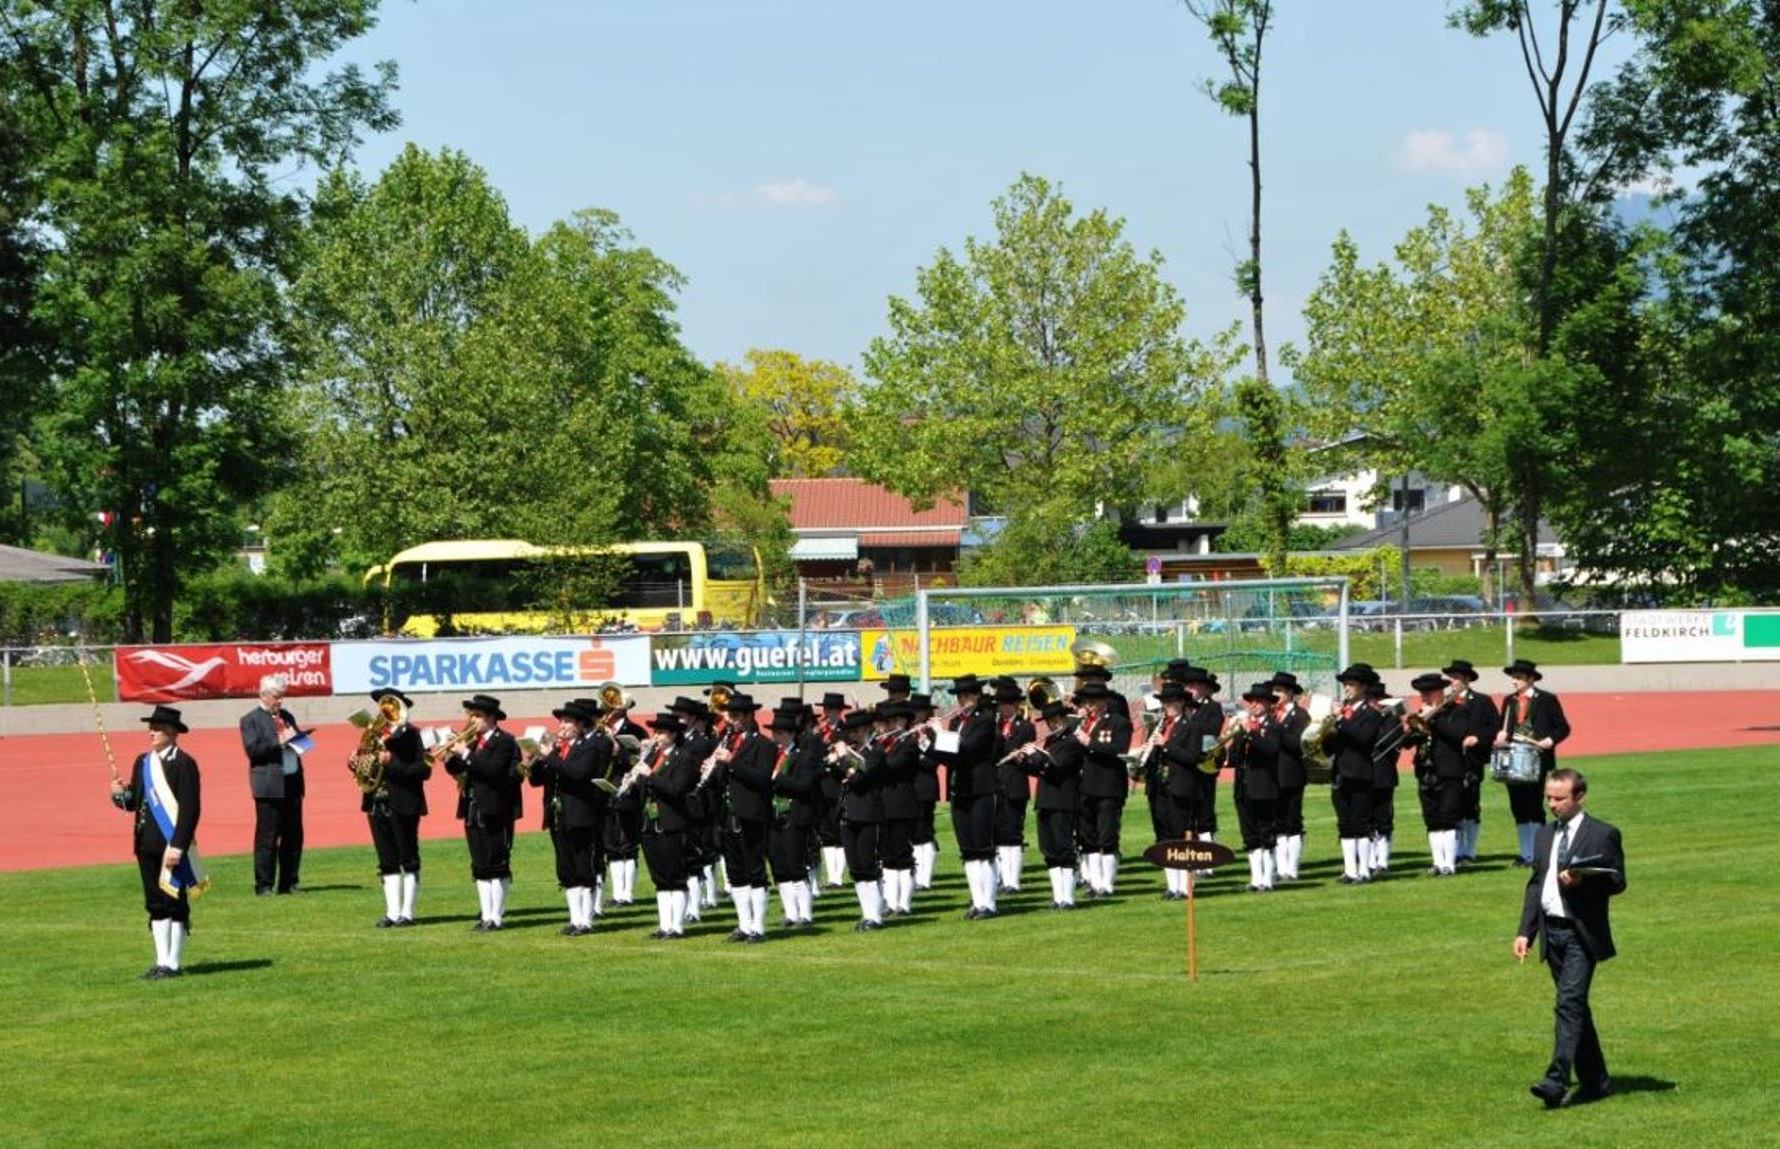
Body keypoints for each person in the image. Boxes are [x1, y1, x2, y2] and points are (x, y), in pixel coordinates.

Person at [1513, 768, 1625, 1108]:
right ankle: (1596, 1081)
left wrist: (1583, 881)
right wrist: (1525, 932)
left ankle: (1556, 1080)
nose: (1552, 804)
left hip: (1581, 933)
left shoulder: (1603, 834)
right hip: (1552, 933)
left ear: (1579, 797)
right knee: (1575, 1009)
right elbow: (1536, 884)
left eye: (1559, 798)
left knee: (1568, 1004)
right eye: (1548, 797)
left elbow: (1617, 882)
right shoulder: (1544, 834)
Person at [110, 705, 204, 980]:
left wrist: (178, 846)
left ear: (172, 733)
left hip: (170, 846)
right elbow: (135, 802)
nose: (151, 732)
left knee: (174, 902)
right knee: (155, 904)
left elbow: (190, 809)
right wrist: (118, 794)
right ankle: (161, 961)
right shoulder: (143, 762)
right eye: (150, 728)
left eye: (157, 728)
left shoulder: (184, 763)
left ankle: (173, 963)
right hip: (145, 845)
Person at [527, 698, 612, 937]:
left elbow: (579, 773)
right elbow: (536, 781)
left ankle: (586, 920)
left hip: (581, 814)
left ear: (580, 725)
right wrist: (536, 759)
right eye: (561, 721)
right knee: (566, 869)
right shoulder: (557, 749)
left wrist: (551, 757)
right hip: (558, 815)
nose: (562, 726)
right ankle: (575, 919)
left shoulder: (589, 747)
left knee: (584, 866)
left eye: (567, 722)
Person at [441, 694, 520, 931]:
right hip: (472, 807)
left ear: (491, 718)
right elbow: (457, 769)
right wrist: (450, 755)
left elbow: (493, 770)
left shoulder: (505, 741)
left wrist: (465, 753)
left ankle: (497, 916)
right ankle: (486, 915)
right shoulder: (473, 742)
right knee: (480, 864)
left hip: (496, 809)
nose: (472, 720)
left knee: (497, 863)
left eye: (477, 716)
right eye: (472, 715)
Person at [358, 688, 429, 927]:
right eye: (381, 706)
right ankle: (392, 912)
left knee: (408, 858)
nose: (384, 710)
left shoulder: (414, 735)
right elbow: (366, 765)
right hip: (376, 802)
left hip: (404, 803)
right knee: (387, 860)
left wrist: (393, 762)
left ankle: (407, 913)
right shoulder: (373, 734)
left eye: (389, 705)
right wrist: (356, 763)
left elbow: (423, 770)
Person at [932, 675, 999, 919]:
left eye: (967, 695)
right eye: (960, 696)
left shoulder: (985, 720)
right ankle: (977, 901)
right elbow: (947, 756)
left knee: (983, 849)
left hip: (981, 789)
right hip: (960, 789)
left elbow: (967, 749)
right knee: (968, 850)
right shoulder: (956, 722)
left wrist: (940, 734)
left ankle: (989, 903)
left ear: (977, 696)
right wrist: (929, 740)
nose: (963, 700)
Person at [1495, 659, 1572, 867]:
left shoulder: (1547, 699)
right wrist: (1501, 734)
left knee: (1534, 806)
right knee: (1518, 808)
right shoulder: (1509, 701)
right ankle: (1525, 853)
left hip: (1537, 759)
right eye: (1513, 678)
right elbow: (1505, 727)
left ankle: (1539, 854)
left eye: (1518, 678)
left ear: (1530, 679)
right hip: (1513, 759)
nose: (1514, 681)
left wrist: (1549, 741)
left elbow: (1563, 727)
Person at [714, 693, 775, 943]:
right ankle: (744, 924)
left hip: (752, 814)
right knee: (735, 873)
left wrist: (732, 762)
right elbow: (722, 780)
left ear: (750, 716)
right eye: (730, 716)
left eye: (737, 716)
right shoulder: (728, 741)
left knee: (755, 870)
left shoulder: (764, 744)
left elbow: (762, 779)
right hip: (728, 814)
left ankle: (758, 927)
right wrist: (713, 766)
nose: (732, 720)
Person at [240, 675, 306, 896]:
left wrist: (301, 739)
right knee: (267, 838)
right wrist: (278, 742)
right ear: (264, 695)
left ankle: (289, 883)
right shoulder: (250, 720)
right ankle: (264, 885)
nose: (280, 701)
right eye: (276, 697)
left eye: (282, 696)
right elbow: (253, 751)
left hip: (293, 782)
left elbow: (296, 741)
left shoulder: (287, 716)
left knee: (293, 836)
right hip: (269, 786)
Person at [1014, 700, 1083, 909]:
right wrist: (1023, 762)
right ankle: (1057, 897)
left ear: (1063, 719)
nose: (1052, 724)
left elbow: (1057, 766)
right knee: (1049, 850)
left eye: (1055, 720)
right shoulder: (1051, 741)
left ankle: (1068, 898)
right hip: (1045, 800)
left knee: (1063, 848)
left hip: (1063, 801)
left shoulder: (1072, 741)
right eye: (1049, 721)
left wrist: (1036, 754)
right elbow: (1042, 770)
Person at [633, 711, 695, 940]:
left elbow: (676, 790)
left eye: (660, 732)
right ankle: (664, 925)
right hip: (650, 822)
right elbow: (644, 789)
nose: (656, 736)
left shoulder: (684, 758)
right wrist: (635, 779)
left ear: (672, 735)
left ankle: (676, 926)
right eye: (655, 732)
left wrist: (650, 775)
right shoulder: (652, 756)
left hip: (672, 822)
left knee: (674, 875)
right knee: (659, 877)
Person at [1074, 680, 1133, 898]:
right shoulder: (1082, 724)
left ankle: (1107, 884)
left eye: (1092, 702)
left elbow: (1119, 749)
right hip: (1085, 786)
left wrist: (1090, 743)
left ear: (1103, 702)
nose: (1088, 706)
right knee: (1088, 837)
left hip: (1109, 786)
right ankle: (1095, 882)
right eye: (1086, 702)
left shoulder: (1119, 723)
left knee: (1107, 836)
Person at [766, 706, 824, 928]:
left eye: (780, 733)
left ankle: (805, 914)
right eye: (774, 733)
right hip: (774, 816)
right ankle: (791, 913)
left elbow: (804, 786)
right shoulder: (772, 756)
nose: (776, 737)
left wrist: (777, 779)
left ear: (791, 734)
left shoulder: (803, 757)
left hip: (795, 816)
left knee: (796, 865)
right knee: (780, 868)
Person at [1328, 665, 1385, 884]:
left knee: (1361, 824)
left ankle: (1364, 870)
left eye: (1351, 684)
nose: (1347, 689)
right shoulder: (1344, 712)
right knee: (1345, 825)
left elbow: (1363, 738)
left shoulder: (1371, 714)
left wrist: (1340, 721)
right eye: (1346, 685)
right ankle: (1350, 870)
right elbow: (1331, 745)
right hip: (1340, 773)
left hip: (1360, 774)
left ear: (1362, 688)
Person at [1405, 672, 1464, 877]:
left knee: (1448, 818)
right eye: (1422, 693)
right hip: (1425, 770)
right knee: (1432, 819)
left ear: (1440, 692)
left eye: (1428, 692)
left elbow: (1457, 734)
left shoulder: (1456, 711)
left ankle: (1450, 863)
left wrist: (1434, 718)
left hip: (1448, 771)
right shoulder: (1421, 713)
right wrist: (1413, 727)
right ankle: (1438, 862)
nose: (1424, 696)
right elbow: (1406, 744)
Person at [833, 710, 886, 930]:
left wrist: (844, 760)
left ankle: (875, 916)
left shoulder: (876, 752)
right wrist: (837, 762)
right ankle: (866, 913)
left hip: (867, 812)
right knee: (856, 868)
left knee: (867, 865)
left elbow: (860, 781)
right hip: (848, 812)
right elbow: (839, 776)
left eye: (854, 731)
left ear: (864, 730)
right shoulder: (856, 752)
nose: (851, 736)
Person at [1443, 659, 1500, 863]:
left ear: (1467, 679)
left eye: (1456, 677)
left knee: (1471, 805)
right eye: (1451, 677)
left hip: (1472, 759)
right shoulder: (1445, 702)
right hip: (1451, 760)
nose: (1452, 681)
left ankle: (1471, 850)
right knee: (1454, 806)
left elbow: (1495, 726)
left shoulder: (1482, 701)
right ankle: (1457, 850)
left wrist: (1478, 738)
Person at [1231, 682, 1282, 893]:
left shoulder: (1274, 726)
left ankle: (1267, 879)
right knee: (1250, 835)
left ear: (1269, 704)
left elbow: (1271, 749)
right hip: (1243, 787)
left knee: (1266, 833)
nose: (1254, 705)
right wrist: (1237, 736)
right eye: (1251, 701)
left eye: (1259, 701)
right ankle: (1255, 878)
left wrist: (1251, 733)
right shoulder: (1244, 726)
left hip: (1264, 787)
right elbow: (1233, 757)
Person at [990, 679, 1033, 893]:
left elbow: (1015, 748)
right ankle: (1000, 878)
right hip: (994, 784)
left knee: (1013, 833)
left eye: (1007, 704)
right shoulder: (993, 726)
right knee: (997, 834)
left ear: (1016, 705)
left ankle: (1013, 881)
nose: (1002, 708)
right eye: (1000, 704)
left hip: (1015, 785)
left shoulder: (1025, 727)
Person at [1269, 672, 1311, 881]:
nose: (1275, 695)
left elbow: (1299, 744)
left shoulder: (1300, 715)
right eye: (1274, 690)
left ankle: (1292, 868)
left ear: (1290, 693)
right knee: (1277, 822)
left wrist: (1277, 729)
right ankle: (1280, 867)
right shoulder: (1270, 715)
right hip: (1271, 774)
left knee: (1292, 821)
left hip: (1292, 774)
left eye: (1279, 691)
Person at [906, 691, 942, 890]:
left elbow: (933, 761)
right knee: (912, 834)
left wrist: (918, 746)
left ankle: (925, 878)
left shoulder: (932, 732)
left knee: (924, 833)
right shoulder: (907, 731)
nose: (915, 715)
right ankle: (915, 875)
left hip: (925, 787)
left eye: (918, 711)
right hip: (909, 789)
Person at [814, 692, 850, 889]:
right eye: (826, 709)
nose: (828, 713)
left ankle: (838, 876)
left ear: (840, 711)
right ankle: (831, 876)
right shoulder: (819, 732)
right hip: (823, 784)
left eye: (833, 710)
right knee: (826, 831)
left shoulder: (845, 731)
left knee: (840, 830)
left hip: (839, 783)